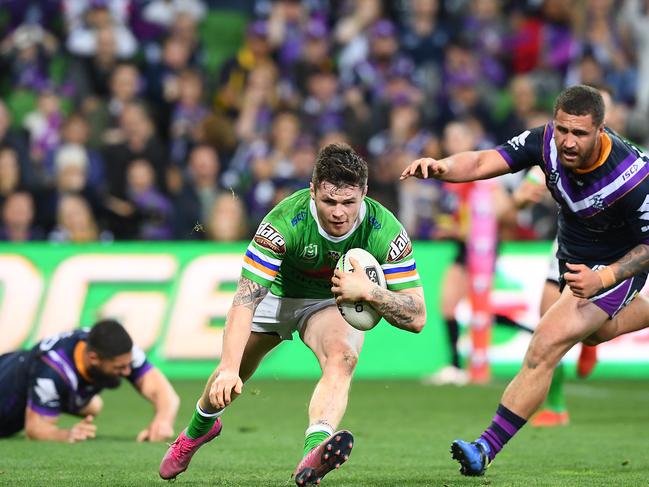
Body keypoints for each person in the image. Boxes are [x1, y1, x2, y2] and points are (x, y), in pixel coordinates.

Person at [401, 85, 649, 476]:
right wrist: (444, 167)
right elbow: (486, 160)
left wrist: (605, 277)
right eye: (563, 129)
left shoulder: (633, 176)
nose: (568, 141)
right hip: (570, 254)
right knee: (594, 334)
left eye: (580, 134)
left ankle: (485, 448)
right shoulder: (546, 140)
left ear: (601, 130)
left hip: (613, 263)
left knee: (545, 344)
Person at [159, 143, 426, 485]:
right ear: (312, 191)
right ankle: (196, 431)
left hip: (331, 300)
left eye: (349, 202)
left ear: (365, 193)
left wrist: (371, 292)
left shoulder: (384, 230)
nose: (339, 213)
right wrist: (227, 367)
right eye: (329, 201)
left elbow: (418, 317)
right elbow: (244, 299)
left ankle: (313, 452)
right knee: (233, 374)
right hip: (277, 294)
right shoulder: (284, 221)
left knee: (342, 357)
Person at [0, 319, 179, 442]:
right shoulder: (52, 370)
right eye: (119, 368)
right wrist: (66, 434)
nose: (127, 372)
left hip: (25, 368)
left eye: (128, 365)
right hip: (5, 400)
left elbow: (162, 391)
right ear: (94, 358)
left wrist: (163, 420)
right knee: (91, 406)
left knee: (93, 406)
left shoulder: (118, 352)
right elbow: (36, 429)